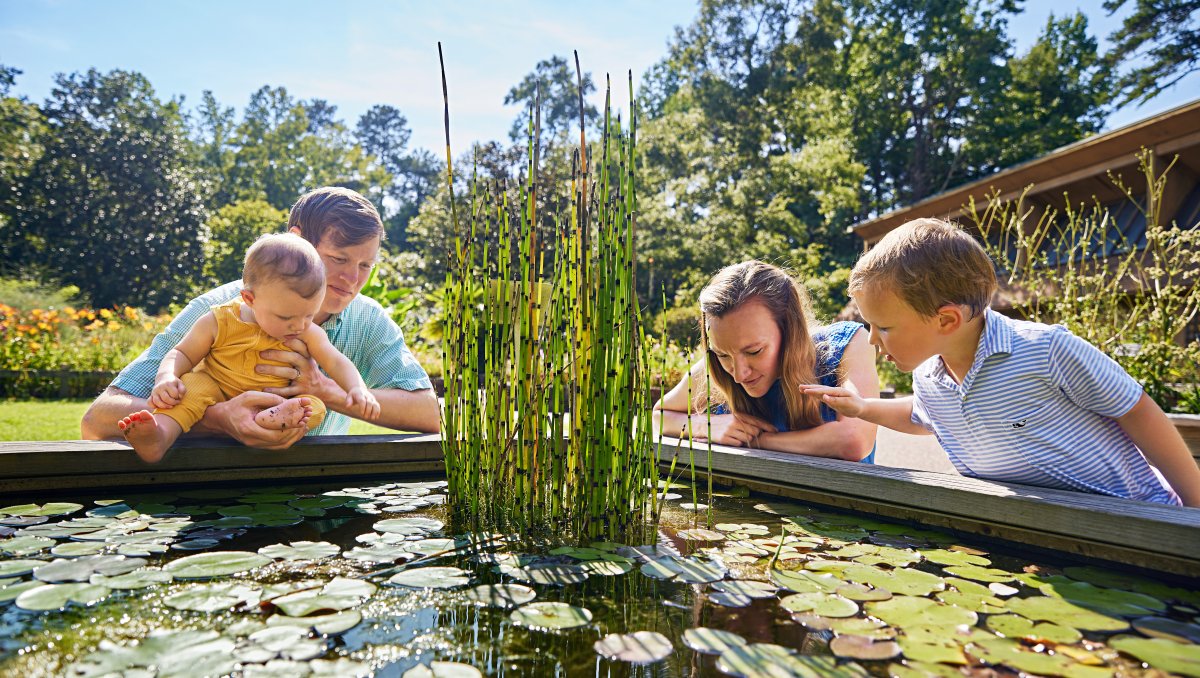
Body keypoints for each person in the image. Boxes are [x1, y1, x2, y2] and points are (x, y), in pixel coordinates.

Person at [803, 218, 1200, 507]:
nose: (872, 340)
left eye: (883, 327)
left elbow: (1138, 411)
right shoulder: (930, 376)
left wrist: (1193, 510)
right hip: (1039, 527)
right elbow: (922, 416)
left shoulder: (1046, 351)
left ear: (946, 320)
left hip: (1134, 514)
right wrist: (862, 408)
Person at [82, 187, 439, 448]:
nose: (352, 280)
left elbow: (431, 414)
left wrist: (325, 391)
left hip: (315, 498)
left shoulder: (368, 320)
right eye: (338, 259)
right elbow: (98, 420)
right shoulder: (220, 309)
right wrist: (217, 420)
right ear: (295, 240)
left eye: (365, 265)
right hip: (207, 499)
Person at [117, 233, 381, 463]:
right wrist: (167, 377)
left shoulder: (307, 331)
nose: (299, 326)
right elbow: (182, 353)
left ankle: (269, 420)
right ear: (249, 298)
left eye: (309, 315)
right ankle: (158, 437)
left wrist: (356, 388)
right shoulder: (218, 320)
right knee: (191, 391)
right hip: (217, 391)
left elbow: (336, 362)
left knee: (313, 408)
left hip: (275, 401)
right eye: (286, 317)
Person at [653, 260, 879, 462]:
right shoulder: (713, 368)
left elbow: (854, 440)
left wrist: (758, 441)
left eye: (754, 351)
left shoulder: (849, 343)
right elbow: (659, 416)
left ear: (790, 330)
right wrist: (705, 426)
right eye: (723, 355)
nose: (739, 374)